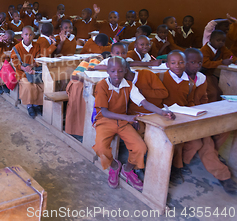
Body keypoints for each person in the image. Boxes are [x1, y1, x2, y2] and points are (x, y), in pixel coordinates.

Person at [93, 57, 174, 191]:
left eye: (120, 71)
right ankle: (114, 166)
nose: (116, 75)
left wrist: (162, 112)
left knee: (140, 147)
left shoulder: (129, 86)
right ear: (107, 71)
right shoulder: (102, 85)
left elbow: (144, 103)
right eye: (113, 71)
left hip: (124, 122)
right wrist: (128, 117)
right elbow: (105, 113)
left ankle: (127, 169)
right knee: (100, 148)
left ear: (125, 71)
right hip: (105, 121)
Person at [181, 48, 237, 195]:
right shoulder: (178, 78)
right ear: (183, 63)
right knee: (206, 143)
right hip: (184, 119)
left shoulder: (201, 78)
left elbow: (204, 99)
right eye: (192, 62)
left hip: (199, 115)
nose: (196, 65)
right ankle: (223, 175)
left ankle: (212, 157)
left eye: (199, 62)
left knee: (224, 128)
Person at [161, 50, 196, 184]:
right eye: (173, 63)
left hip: (181, 116)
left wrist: (191, 113)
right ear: (167, 65)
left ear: (186, 64)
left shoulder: (190, 83)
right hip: (163, 114)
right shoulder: (162, 78)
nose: (178, 66)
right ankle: (176, 167)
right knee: (176, 139)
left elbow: (190, 102)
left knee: (193, 141)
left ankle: (177, 165)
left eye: (181, 62)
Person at [10, 26, 43, 119]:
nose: (28, 37)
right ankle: (29, 105)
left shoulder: (36, 46)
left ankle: (36, 104)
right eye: (26, 34)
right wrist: (24, 68)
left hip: (33, 72)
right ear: (22, 35)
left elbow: (38, 59)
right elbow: (15, 62)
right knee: (28, 85)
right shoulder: (17, 48)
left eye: (31, 35)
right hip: (22, 73)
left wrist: (31, 67)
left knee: (39, 85)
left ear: (34, 36)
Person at [200, 30, 236, 102]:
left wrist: (235, 60)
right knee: (213, 92)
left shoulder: (222, 48)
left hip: (212, 75)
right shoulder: (205, 50)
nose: (221, 42)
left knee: (220, 92)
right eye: (218, 40)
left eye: (223, 41)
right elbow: (206, 64)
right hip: (203, 74)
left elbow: (230, 55)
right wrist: (221, 62)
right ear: (211, 39)